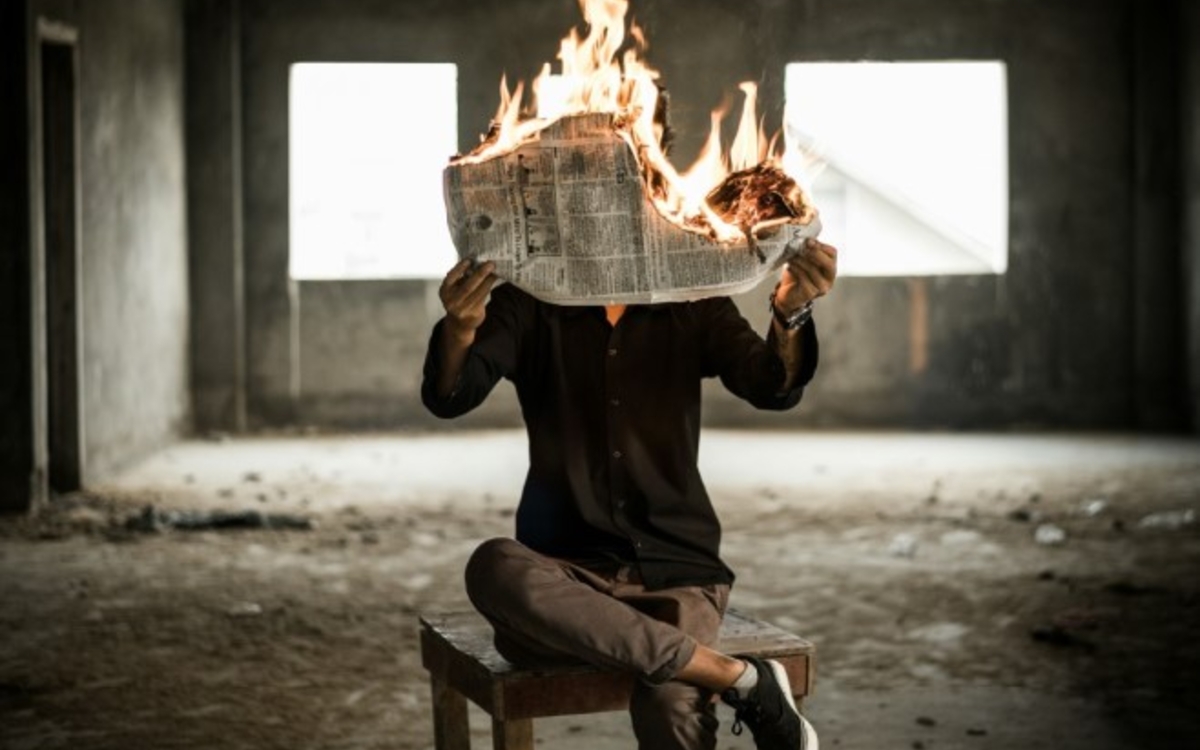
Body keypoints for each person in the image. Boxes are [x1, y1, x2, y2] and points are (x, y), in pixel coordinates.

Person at [421, 237, 838, 750]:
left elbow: (772, 386)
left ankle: (700, 666)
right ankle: (737, 676)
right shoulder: (528, 302)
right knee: (494, 565)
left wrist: (791, 312)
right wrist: (461, 326)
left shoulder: (692, 300)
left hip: (677, 575)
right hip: (566, 581)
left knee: (671, 709)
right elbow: (451, 395)